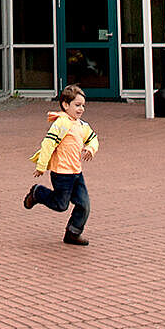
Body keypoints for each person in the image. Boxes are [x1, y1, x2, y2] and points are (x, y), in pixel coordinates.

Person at [22, 84, 99, 246]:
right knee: (61, 205)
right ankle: (38, 193)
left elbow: (93, 138)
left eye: (83, 106)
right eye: (77, 105)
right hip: (61, 174)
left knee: (84, 205)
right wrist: (41, 166)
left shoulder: (82, 125)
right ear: (65, 105)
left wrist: (91, 148)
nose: (81, 109)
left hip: (76, 173)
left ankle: (73, 233)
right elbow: (48, 144)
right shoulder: (61, 124)